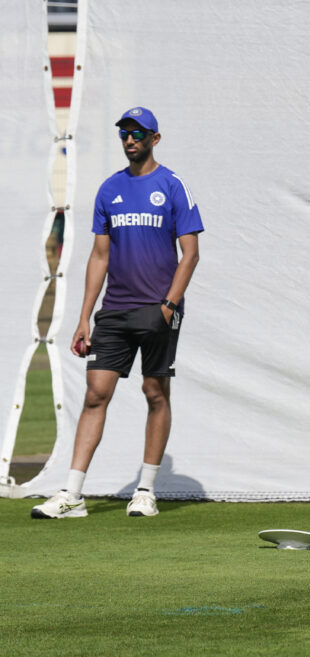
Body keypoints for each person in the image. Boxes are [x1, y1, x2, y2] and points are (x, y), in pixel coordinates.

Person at [32, 107, 204, 519]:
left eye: (138, 132)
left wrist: (169, 304)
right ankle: (72, 495)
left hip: (158, 309)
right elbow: (99, 255)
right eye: (125, 132)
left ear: (154, 139)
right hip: (114, 311)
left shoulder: (173, 185)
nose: (130, 139)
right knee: (95, 394)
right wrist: (83, 316)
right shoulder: (110, 189)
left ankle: (145, 490)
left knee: (154, 392)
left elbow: (191, 253)